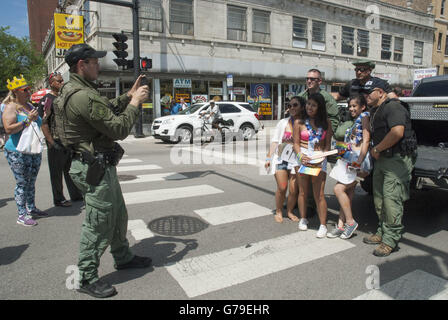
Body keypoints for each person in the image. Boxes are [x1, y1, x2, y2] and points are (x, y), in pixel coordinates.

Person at [54, 43, 152, 298]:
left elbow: (103, 110)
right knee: (98, 224)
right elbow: (118, 128)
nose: (99, 65)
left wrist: (127, 96)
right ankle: (85, 277)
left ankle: (122, 256)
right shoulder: (81, 95)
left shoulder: (78, 89)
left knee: (117, 214)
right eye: (94, 62)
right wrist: (135, 104)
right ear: (81, 65)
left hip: (97, 165)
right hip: (92, 167)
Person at [364, 82, 416, 257]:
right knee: (379, 199)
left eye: (369, 93)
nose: (366, 96)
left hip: (397, 160)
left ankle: (390, 240)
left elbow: (397, 132)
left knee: (391, 200)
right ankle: (382, 231)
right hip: (383, 159)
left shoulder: (393, 107)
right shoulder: (375, 110)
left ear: (380, 92)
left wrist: (377, 149)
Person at [2, 75, 46, 226]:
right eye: (25, 89)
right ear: (16, 92)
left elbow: (38, 124)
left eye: (29, 89)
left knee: (31, 181)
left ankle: (31, 208)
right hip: (17, 151)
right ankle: (22, 214)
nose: (29, 91)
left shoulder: (29, 105)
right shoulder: (11, 107)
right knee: (22, 182)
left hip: (33, 149)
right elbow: (8, 128)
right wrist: (28, 120)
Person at [327, 95, 371, 239]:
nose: (351, 108)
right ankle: (341, 225)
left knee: (338, 189)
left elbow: (366, 140)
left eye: (354, 106)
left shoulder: (364, 116)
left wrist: (360, 160)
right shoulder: (355, 120)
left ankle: (350, 222)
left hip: (357, 160)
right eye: (350, 106)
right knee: (348, 193)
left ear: (362, 107)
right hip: (350, 158)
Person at [293, 93, 333, 238]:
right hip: (302, 158)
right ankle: (303, 218)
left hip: (319, 159)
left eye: (314, 105)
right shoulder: (299, 122)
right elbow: (296, 143)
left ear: (319, 107)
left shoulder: (326, 122)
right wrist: (300, 156)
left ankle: (323, 225)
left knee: (319, 194)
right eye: (308, 104)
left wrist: (323, 156)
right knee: (303, 192)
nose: (310, 107)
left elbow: (328, 144)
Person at [40, 72, 83, 208]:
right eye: (59, 81)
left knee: (70, 170)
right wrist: (51, 142)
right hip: (56, 141)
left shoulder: (64, 98)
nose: (62, 83)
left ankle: (76, 195)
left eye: (62, 80)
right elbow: (44, 122)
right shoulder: (48, 99)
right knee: (56, 173)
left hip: (68, 140)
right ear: (52, 83)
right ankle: (59, 199)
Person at [265, 96, 306, 223]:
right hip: (281, 159)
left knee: (294, 190)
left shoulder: (306, 123)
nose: (291, 108)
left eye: (295, 105)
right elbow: (275, 141)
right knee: (282, 188)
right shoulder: (283, 122)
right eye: (289, 105)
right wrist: (268, 157)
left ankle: (289, 211)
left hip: (297, 161)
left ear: (302, 107)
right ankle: (278, 211)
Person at [331, 59, 396, 102]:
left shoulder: (380, 83)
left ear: (369, 70)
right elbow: (337, 96)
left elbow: (394, 99)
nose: (358, 72)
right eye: (356, 70)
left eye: (362, 70)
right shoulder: (352, 84)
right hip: (354, 120)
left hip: (373, 119)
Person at [298, 69, 340, 134]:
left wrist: (327, 134)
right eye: (307, 79)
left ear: (320, 81)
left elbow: (334, 118)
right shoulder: (300, 96)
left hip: (320, 134)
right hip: (302, 132)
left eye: (312, 79)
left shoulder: (327, 98)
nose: (309, 81)